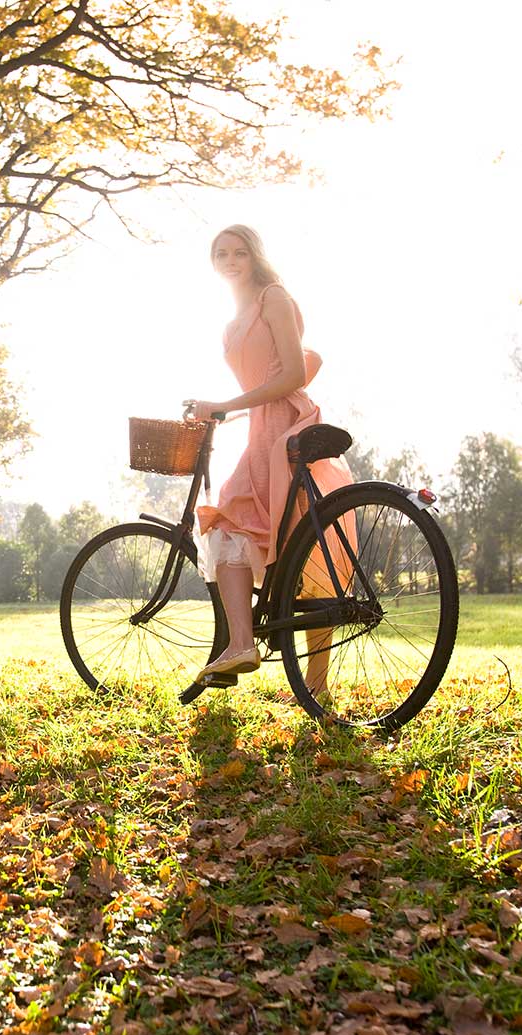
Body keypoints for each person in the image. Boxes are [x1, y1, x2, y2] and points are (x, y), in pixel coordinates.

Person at [183, 225, 353, 699]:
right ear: (212, 261)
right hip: (262, 426)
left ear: (254, 256)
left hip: (285, 426)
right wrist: (223, 409)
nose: (230, 260)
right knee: (265, 536)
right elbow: (267, 376)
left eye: (239, 252)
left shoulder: (272, 297)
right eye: (221, 253)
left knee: (243, 526)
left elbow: (296, 372)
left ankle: (258, 653)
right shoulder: (232, 318)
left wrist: (227, 402)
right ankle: (261, 654)